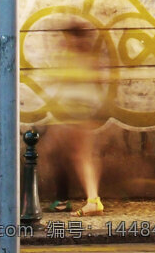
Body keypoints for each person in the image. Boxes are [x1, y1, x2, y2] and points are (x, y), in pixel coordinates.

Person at [43, 19, 108, 216]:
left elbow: (72, 86)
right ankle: (77, 199)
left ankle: (91, 201)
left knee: (80, 156)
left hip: (76, 115)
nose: (68, 41)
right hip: (74, 114)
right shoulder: (85, 58)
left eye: (70, 37)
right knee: (76, 155)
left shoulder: (81, 59)